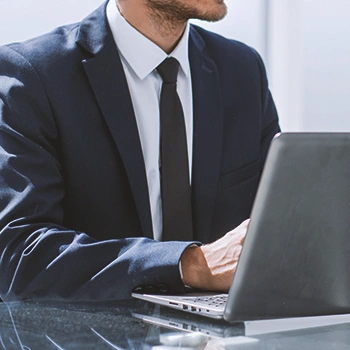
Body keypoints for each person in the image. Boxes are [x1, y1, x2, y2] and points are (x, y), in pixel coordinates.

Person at [0, 0, 280, 301]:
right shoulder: (34, 76)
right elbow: (18, 254)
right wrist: (190, 265)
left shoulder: (243, 71)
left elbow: (282, 222)